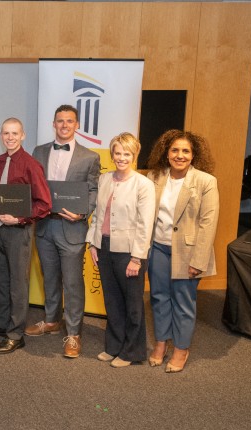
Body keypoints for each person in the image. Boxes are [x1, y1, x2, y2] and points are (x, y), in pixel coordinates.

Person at [25, 104, 100, 359]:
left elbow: (93, 191)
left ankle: (74, 333)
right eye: (60, 121)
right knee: (49, 278)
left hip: (73, 227)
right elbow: (33, 186)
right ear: (53, 124)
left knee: (72, 282)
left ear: (77, 125)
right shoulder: (39, 151)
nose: (65, 125)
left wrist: (83, 213)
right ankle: (51, 320)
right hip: (45, 225)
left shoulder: (89, 157)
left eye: (69, 121)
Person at [145, 129, 218, 373]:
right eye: (175, 150)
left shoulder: (206, 181)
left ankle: (181, 348)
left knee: (183, 302)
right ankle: (161, 343)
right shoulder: (155, 177)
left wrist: (199, 259)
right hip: (158, 248)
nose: (180, 155)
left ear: (193, 154)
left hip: (188, 252)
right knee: (159, 298)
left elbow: (208, 223)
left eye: (185, 151)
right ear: (166, 153)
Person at [0, 118, 51, 354]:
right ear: (1, 135)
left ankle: (15, 334)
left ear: (23, 136)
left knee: (18, 284)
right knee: (0, 280)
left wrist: (20, 218)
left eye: (14, 133)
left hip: (19, 231)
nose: (10, 137)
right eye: (6, 133)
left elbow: (44, 203)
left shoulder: (31, 165)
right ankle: (2, 324)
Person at [86, 133, 155, 367]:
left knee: (133, 304)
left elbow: (145, 225)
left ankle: (131, 352)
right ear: (112, 154)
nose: (122, 158)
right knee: (112, 302)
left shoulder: (143, 185)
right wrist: (93, 243)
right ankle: (113, 346)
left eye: (127, 153)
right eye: (118, 153)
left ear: (135, 156)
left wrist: (137, 258)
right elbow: (97, 215)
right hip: (104, 247)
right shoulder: (104, 179)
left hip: (129, 252)